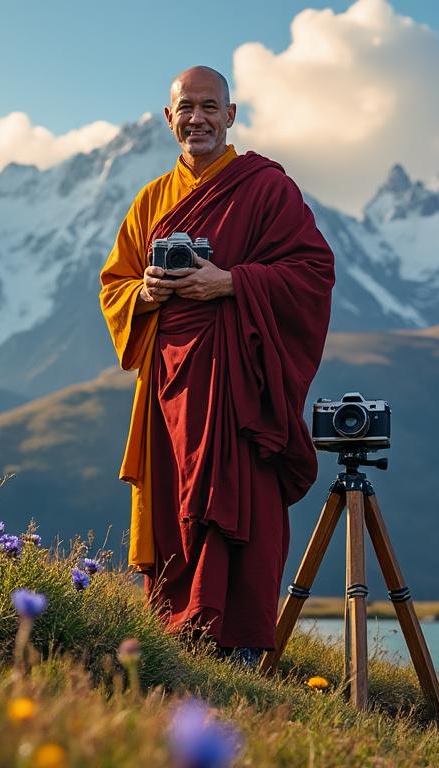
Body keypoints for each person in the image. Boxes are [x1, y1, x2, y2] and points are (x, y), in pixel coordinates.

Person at [98, 66, 335, 661]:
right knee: (176, 510)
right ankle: (175, 645)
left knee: (238, 508)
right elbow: (115, 285)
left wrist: (229, 282)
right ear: (168, 117)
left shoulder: (265, 189)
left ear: (231, 116)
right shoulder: (151, 199)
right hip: (169, 395)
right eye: (186, 108)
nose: (197, 118)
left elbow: (313, 272)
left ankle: (242, 653)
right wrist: (146, 294)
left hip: (240, 393)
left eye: (210, 107)